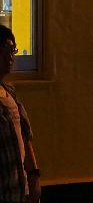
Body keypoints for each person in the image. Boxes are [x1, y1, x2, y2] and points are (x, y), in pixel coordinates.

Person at [0, 26, 39, 201]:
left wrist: (34, 175)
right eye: (3, 52)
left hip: (19, 191)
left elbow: (25, 137)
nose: (9, 57)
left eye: (12, 51)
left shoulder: (10, 93)